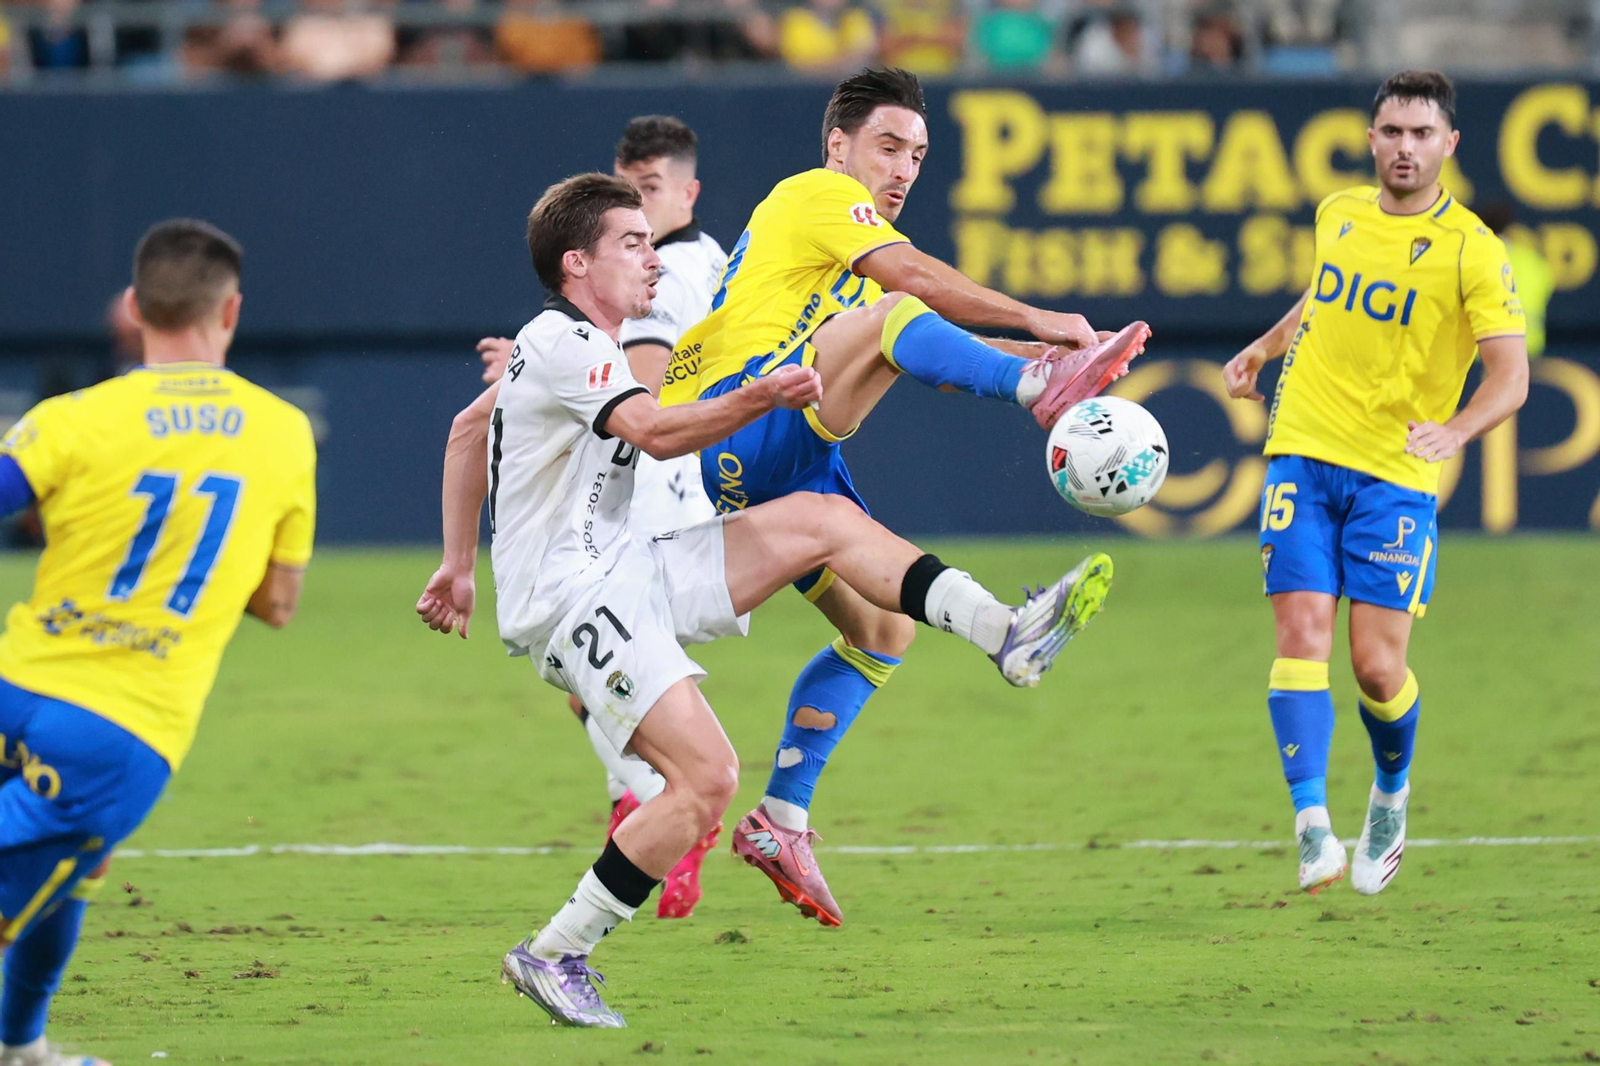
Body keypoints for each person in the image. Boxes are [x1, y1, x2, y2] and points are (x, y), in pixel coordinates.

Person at [415, 173, 1112, 1028]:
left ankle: (1006, 631)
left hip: (625, 567)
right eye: (632, 244)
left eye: (651, 242)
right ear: (576, 264)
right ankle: (556, 951)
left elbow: (466, 430)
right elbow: (654, 432)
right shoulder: (565, 342)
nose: (652, 259)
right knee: (706, 779)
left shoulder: (578, 345)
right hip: (571, 602)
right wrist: (761, 396)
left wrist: (458, 568)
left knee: (823, 521)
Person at [657, 67, 1149, 927]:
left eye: (917, 155)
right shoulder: (817, 194)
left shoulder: (852, 260)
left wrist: (1041, 350)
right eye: (888, 147)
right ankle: (1042, 395)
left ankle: (782, 819)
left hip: (783, 452)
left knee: (881, 634)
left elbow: (923, 336)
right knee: (892, 313)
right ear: (837, 145)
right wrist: (1039, 331)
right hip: (738, 418)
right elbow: (910, 288)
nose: (903, 169)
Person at [0, 220, 316, 1066]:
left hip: (14, 685)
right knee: (53, 872)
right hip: (117, 728)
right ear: (232, 311)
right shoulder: (283, 431)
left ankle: (22, 1047)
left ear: (135, 308)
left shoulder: (72, 417)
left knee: (75, 876)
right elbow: (278, 604)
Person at [1223, 70, 1528, 896]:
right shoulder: (1339, 213)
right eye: (1392, 132)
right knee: (1301, 633)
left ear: (1449, 144)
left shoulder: (1472, 249)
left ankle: (1390, 792)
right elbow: (1322, 298)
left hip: (1395, 475)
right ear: (1370, 139)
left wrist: (1456, 430)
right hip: (1303, 448)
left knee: (1376, 669)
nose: (1405, 148)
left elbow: (1511, 376)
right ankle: (1312, 827)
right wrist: (1263, 348)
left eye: (1422, 134)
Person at [478, 115, 728, 919]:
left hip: (647, 499)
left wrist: (561, 373)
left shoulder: (672, 271)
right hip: (644, 492)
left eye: (650, 192)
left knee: (617, 699)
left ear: (688, 193)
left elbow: (643, 406)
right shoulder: (682, 269)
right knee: (603, 691)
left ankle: (659, 806)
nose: (641, 220)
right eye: (628, 199)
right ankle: (657, 804)